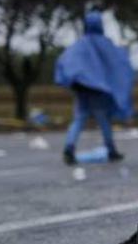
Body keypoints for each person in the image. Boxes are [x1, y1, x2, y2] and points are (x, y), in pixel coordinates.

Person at [55, 11, 132, 165]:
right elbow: (118, 64)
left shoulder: (79, 45)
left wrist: (72, 80)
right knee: (103, 121)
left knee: (78, 120)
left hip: (82, 91)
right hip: (99, 92)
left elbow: (65, 62)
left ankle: (69, 148)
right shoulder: (106, 45)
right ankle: (111, 150)